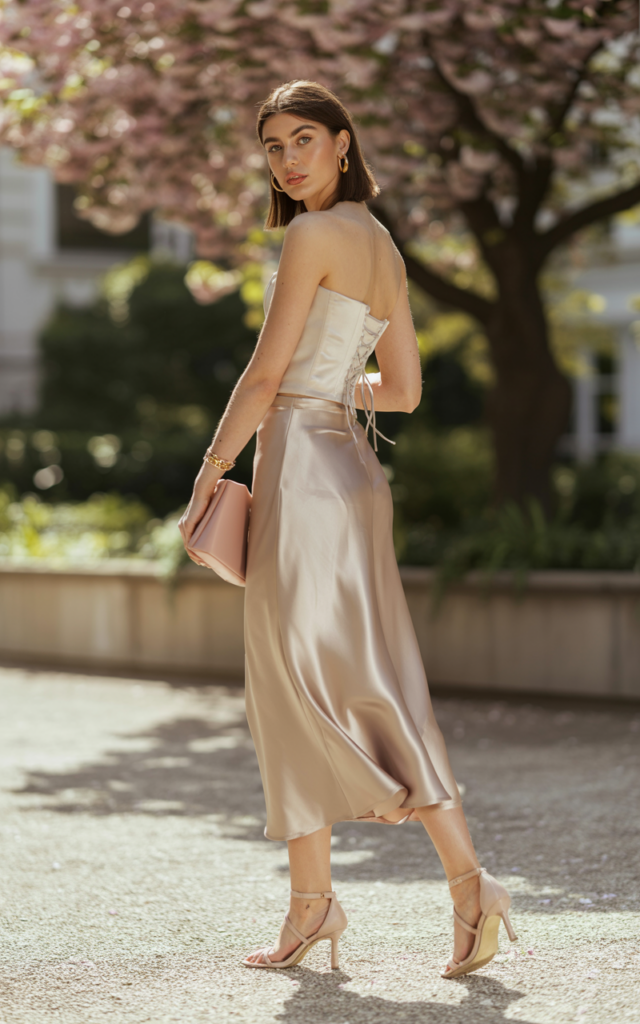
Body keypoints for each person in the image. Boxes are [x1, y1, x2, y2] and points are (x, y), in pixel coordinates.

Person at [179, 80, 517, 978]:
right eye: (273, 147)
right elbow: (401, 390)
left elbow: (263, 375)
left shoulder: (312, 235)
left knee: (293, 682)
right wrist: (325, 385)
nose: (287, 160)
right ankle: (437, 891)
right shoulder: (382, 245)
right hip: (354, 473)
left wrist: (211, 468)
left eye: (303, 140)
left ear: (342, 141)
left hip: (302, 472)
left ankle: (343, 902)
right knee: (370, 679)